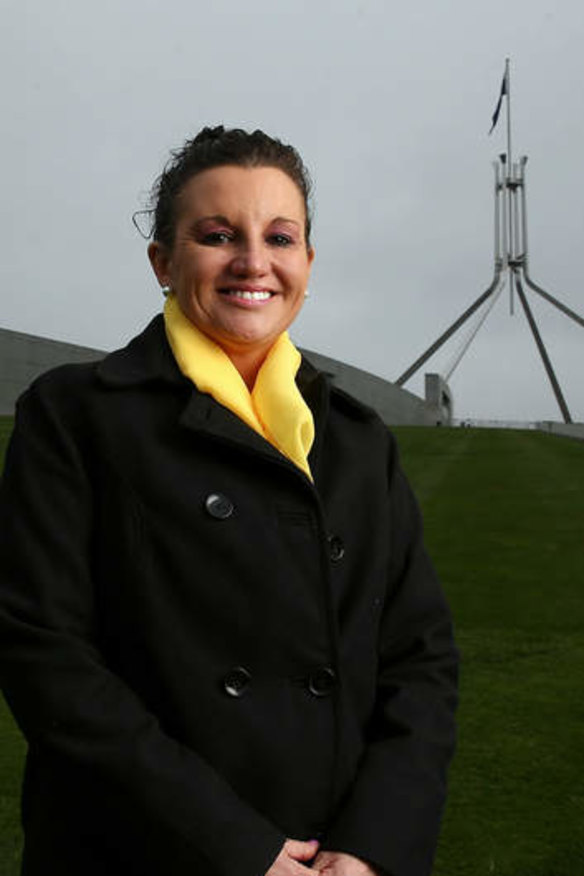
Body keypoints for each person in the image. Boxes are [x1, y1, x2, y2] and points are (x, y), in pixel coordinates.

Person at [0, 126, 458, 876]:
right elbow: (45, 658)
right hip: (150, 849)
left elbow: (421, 658)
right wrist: (237, 848)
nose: (254, 262)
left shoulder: (359, 441)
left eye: (280, 236)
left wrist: (374, 845)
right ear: (163, 261)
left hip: (332, 853)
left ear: (307, 262)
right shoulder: (74, 415)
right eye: (217, 235)